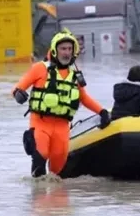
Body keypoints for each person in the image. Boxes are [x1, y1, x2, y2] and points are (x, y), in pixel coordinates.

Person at [12, 31, 111, 178]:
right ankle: (38, 196)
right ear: (55, 50)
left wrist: (102, 111)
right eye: (63, 49)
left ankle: (56, 199)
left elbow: (84, 98)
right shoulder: (40, 68)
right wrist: (18, 94)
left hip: (62, 127)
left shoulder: (75, 75)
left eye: (69, 49)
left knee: (57, 168)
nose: (66, 53)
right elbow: (18, 88)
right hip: (40, 122)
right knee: (41, 154)